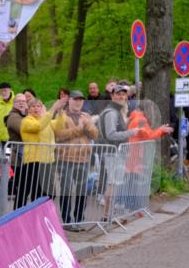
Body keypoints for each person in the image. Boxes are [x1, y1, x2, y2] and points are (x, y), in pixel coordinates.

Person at [53, 90, 98, 229]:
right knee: (66, 189)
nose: (78, 102)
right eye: (75, 99)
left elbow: (95, 134)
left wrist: (88, 125)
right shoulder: (61, 115)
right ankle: (67, 221)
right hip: (65, 158)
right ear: (69, 100)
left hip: (83, 158)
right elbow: (59, 135)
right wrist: (80, 129)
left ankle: (78, 219)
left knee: (82, 191)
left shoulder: (86, 116)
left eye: (81, 100)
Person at [98, 83, 141, 219]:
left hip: (116, 151)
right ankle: (108, 215)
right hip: (113, 151)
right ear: (112, 96)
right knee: (113, 183)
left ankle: (108, 215)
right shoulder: (111, 112)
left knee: (114, 183)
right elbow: (111, 134)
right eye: (118, 94)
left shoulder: (117, 111)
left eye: (123, 94)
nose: (121, 96)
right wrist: (131, 132)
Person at [16, 96, 66, 207]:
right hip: (33, 160)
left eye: (39, 106)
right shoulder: (26, 121)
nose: (36, 108)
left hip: (47, 161)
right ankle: (19, 214)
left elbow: (59, 127)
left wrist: (60, 111)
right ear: (28, 109)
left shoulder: (45, 120)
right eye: (33, 106)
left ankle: (39, 214)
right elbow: (38, 127)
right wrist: (52, 109)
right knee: (28, 190)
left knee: (48, 192)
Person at [123, 100, 172, 210]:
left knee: (130, 180)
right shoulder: (141, 119)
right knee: (134, 181)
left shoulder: (134, 117)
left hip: (132, 151)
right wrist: (161, 130)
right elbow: (149, 135)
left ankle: (129, 205)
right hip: (136, 153)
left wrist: (160, 130)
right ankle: (132, 206)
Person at [5, 93, 28, 207]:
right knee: (22, 188)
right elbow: (24, 130)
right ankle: (18, 213)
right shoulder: (14, 116)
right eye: (18, 101)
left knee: (24, 188)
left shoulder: (24, 115)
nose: (21, 103)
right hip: (17, 158)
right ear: (14, 104)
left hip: (23, 156)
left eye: (24, 101)